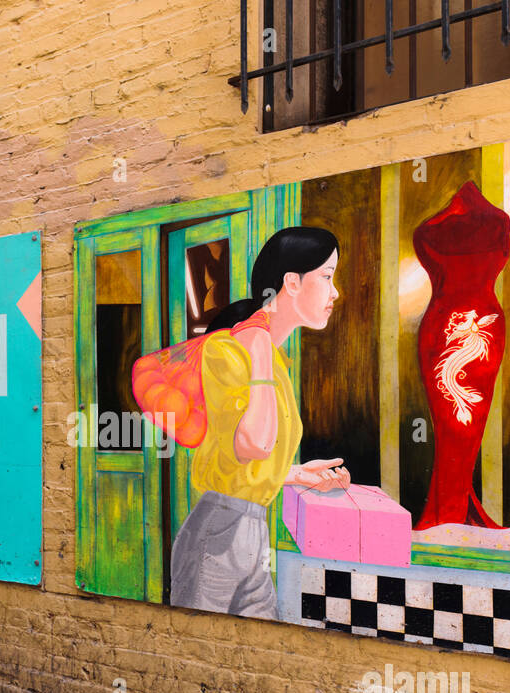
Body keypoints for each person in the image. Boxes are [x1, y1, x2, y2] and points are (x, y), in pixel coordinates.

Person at [136, 227, 351, 620]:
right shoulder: (228, 351)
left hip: (253, 532)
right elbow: (254, 443)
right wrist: (258, 347)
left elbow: (243, 460)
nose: (335, 291)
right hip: (218, 532)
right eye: (327, 275)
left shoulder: (273, 362)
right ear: (292, 282)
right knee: (197, 652)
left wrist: (298, 474)